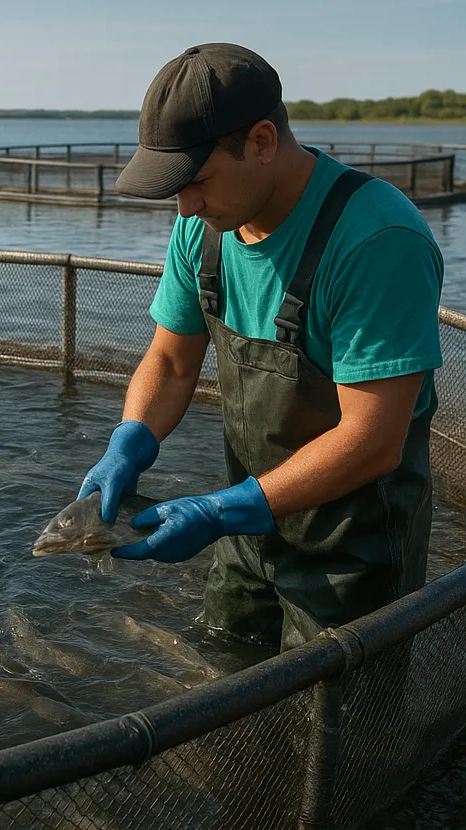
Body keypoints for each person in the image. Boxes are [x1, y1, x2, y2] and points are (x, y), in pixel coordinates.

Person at [78, 42, 444, 653]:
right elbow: (170, 362)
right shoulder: (204, 226)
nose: (184, 206)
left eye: (196, 181)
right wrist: (130, 440)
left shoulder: (377, 239)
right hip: (247, 533)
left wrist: (224, 508)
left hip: (353, 550)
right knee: (224, 673)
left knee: (337, 728)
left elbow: (375, 439)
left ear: (264, 141)